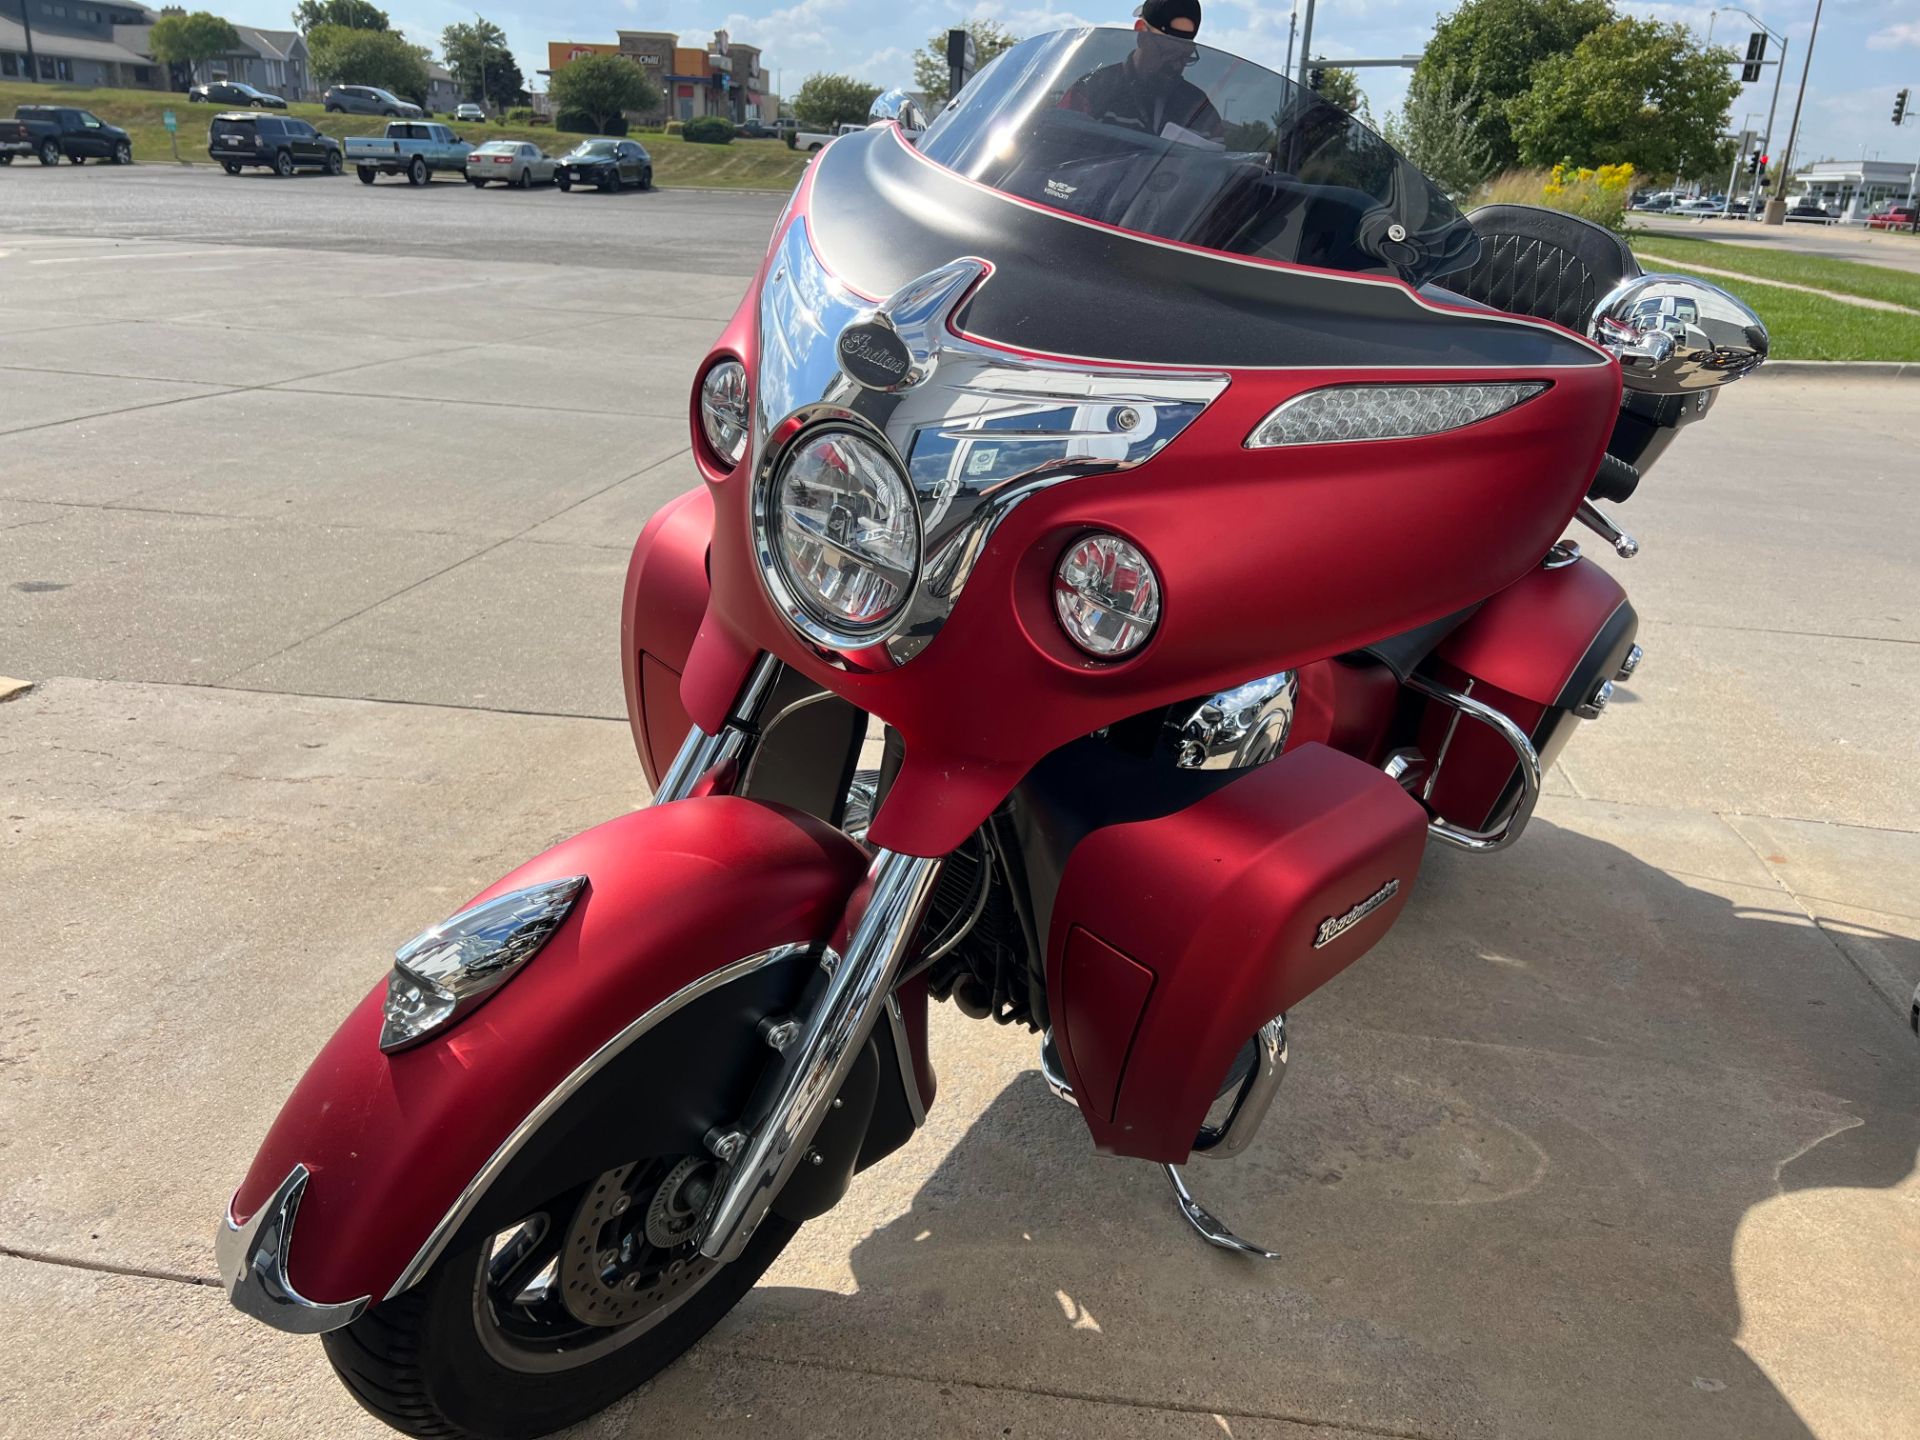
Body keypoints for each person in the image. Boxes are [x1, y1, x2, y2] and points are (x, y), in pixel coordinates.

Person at [1059, 0, 1225, 141]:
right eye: (1168, 52)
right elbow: (1052, 153)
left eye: (1184, 55)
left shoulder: (1199, 109)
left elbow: (1217, 171)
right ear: (1142, 34)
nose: (1175, 66)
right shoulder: (1090, 91)